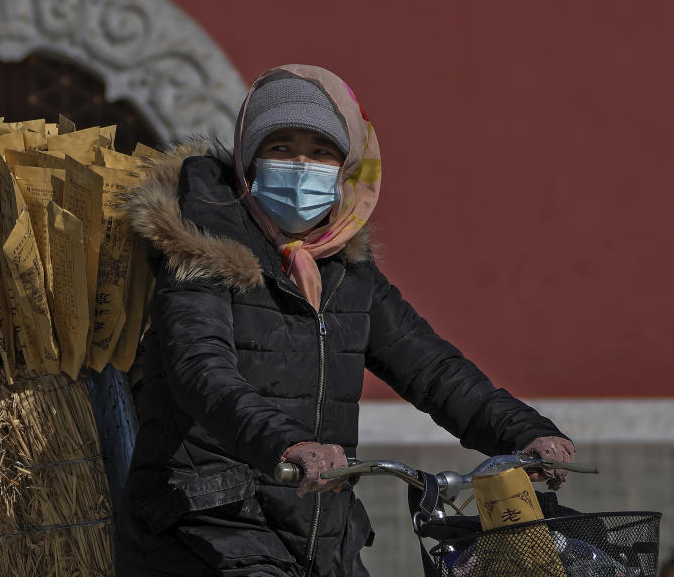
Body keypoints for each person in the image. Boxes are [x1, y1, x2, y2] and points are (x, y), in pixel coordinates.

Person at [116, 64, 575, 576]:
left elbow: (433, 369)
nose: (301, 164)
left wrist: (524, 432)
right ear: (249, 160)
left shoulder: (346, 269)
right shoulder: (202, 249)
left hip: (321, 536)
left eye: (320, 151)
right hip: (208, 530)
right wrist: (287, 443)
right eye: (281, 148)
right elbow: (200, 371)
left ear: (344, 167)